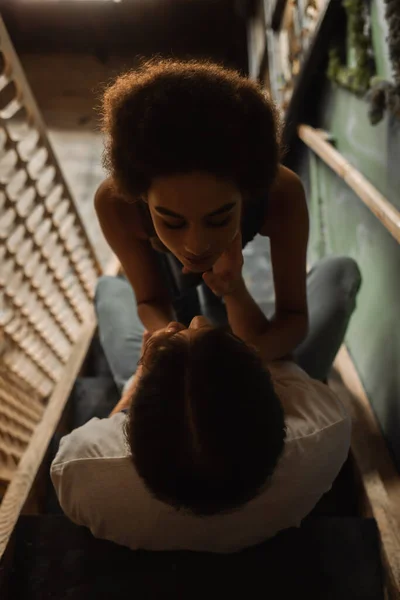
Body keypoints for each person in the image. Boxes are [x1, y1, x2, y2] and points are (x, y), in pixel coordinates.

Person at [95, 57, 362, 374]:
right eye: (172, 221)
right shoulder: (116, 204)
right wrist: (176, 338)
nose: (196, 244)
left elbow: (292, 319)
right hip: (207, 331)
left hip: (239, 350)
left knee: (109, 289)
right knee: (115, 289)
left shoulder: (280, 193)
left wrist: (233, 320)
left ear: (248, 193)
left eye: (219, 219)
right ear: (141, 196)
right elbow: (149, 299)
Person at [50, 273, 351, 553]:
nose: (196, 320)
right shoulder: (325, 428)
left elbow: (111, 421)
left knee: (108, 288)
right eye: (215, 334)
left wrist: (140, 379)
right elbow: (277, 356)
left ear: (133, 426)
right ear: (273, 397)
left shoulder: (81, 464)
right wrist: (235, 293)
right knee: (341, 273)